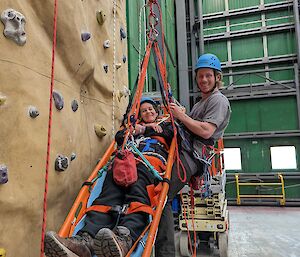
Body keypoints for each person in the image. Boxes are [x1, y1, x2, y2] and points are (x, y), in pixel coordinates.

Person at [44, 97, 174, 257]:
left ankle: (125, 238)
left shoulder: (166, 124)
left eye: (150, 109)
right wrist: (141, 129)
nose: (148, 112)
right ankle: (85, 239)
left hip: (149, 164)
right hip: (122, 164)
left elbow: (170, 134)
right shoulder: (131, 128)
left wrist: (144, 130)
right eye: (144, 110)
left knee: (138, 196)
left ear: (157, 111)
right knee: (106, 197)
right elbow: (120, 137)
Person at [155, 53, 231, 257]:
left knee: (162, 194)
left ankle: (165, 253)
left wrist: (181, 116)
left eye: (208, 76)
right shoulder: (201, 103)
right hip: (187, 150)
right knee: (155, 187)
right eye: (200, 76)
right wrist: (181, 114)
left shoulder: (218, 101)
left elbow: (206, 131)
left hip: (195, 155)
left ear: (217, 77)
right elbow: (190, 124)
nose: (204, 80)